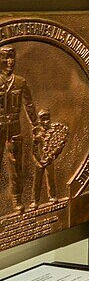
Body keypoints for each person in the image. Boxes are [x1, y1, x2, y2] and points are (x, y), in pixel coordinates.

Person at [0, 47, 34, 212]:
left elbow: (29, 105)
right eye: (6, 58)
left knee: (15, 166)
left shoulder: (20, 82)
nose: (10, 62)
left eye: (12, 58)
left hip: (14, 128)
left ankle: (16, 200)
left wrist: (36, 125)